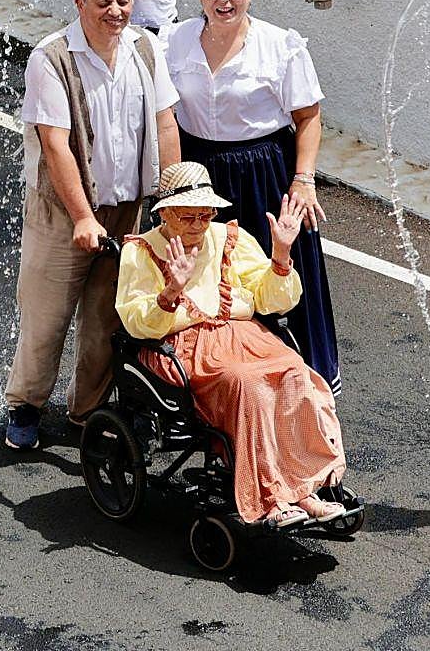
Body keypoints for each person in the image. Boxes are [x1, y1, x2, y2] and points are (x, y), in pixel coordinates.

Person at [4, 0, 179, 450]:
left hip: (126, 211)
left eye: (123, 1)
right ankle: (25, 405)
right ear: (80, 5)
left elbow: (166, 123)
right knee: (46, 318)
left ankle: (87, 413)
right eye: (103, 3)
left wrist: (174, 198)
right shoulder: (52, 59)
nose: (115, 12)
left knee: (106, 318)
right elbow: (56, 145)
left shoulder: (146, 48)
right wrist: (82, 216)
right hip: (64, 212)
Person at [116, 162, 347, 526]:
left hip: (244, 335)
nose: (198, 225)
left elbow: (273, 300)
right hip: (183, 344)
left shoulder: (228, 238)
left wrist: (282, 256)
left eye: (204, 216)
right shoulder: (141, 251)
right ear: (166, 214)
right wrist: (172, 291)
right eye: (188, 216)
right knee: (248, 384)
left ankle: (304, 489)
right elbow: (135, 320)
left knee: (294, 372)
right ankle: (270, 496)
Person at [164, 0, 341, 391]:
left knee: (276, 266)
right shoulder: (172, 42)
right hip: (198, 170)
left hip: (264, 169)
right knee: (201, 272)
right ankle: (215, 377)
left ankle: (300, 376)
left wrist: (304, 181)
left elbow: (308, 117)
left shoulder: (280, 45)